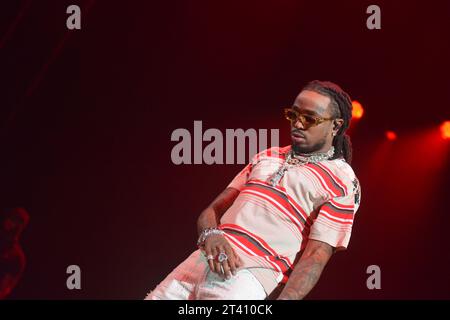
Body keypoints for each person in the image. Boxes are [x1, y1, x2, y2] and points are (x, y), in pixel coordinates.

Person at [145, 80, 362, 300]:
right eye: (293, 115)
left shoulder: (342, 180)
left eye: (309, 118)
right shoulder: (268, 155)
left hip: (246, 278)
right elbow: (211, 211)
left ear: (335, 126)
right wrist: (211, 235)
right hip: (200, 261)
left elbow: (316, 256)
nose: (297, 124)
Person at [0, 207, 29, 299]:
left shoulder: (16, 257)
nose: (9, 222)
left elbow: (4, 289)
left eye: (15, 220)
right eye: (11, 218)